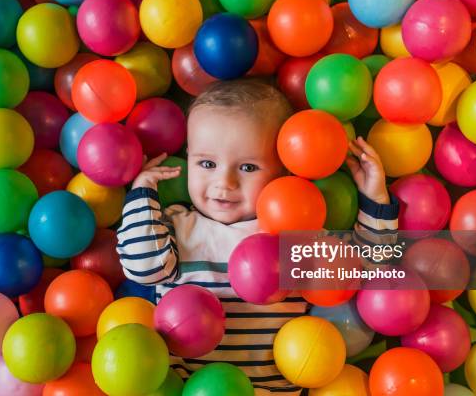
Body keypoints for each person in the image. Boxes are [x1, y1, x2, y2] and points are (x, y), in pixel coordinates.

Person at [116, 80, 398, 394]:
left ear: (284, 172)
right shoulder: (177, 227)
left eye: (248, 167)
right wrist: (142, 192)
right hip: (188, 387)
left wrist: (376, 199)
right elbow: (142, 267)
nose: (225, 182)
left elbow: (366, 270)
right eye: (207, 163)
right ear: (188, 157)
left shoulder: (296, 235)